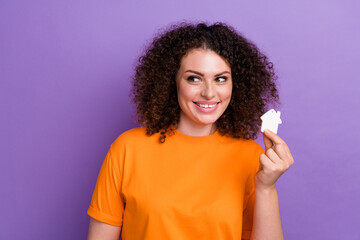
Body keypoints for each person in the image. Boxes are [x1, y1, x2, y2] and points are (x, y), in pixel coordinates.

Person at [87, 22, 294, 240]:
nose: (209, 93)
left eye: (221, 78)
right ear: (171, 82)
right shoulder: (127, 149)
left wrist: (266, 188)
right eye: (194, 78)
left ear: (236, 84)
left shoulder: (252, 157)